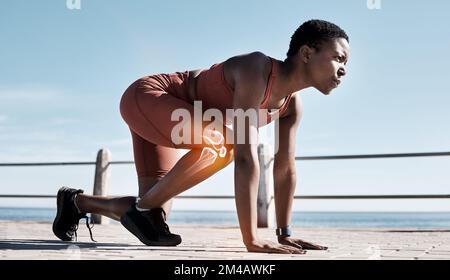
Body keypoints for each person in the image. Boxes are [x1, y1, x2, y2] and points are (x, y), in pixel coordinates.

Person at [52, 19, 349, 254]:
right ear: (307, 53)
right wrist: (252, 239)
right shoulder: (256, 69)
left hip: (176, 123)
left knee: (153, 215)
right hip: (150, 98)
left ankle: (77, 202)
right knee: (224, 144)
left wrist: (285, 234)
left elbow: (285, 169)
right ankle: (141, 209)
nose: (344, 69)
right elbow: (244, 157)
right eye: (338, 58)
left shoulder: (291, 106)